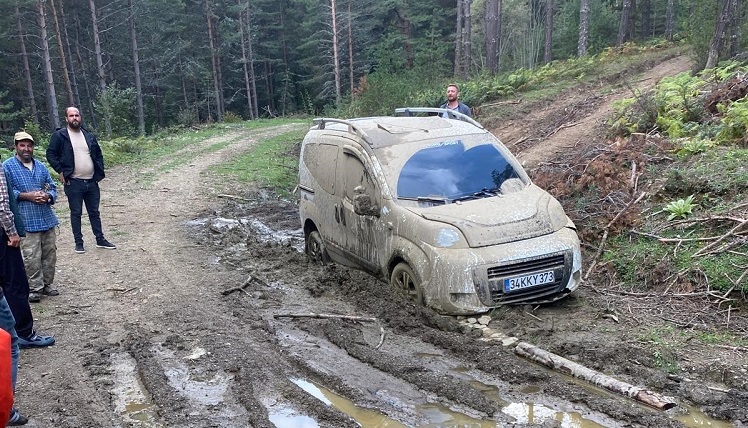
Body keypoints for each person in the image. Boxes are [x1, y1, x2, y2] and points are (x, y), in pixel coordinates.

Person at [46, 107, 116, 254]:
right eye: (71, 116)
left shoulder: (88, 135)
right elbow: (51, 154)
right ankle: (79, 243)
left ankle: (100, 239)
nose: (75, 118)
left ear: (80, 117)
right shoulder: (60, 136)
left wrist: (99, 172)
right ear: (66, 118)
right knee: (76, 212)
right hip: (74, 182)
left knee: (94, 212)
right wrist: (60, 170)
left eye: (77, 115)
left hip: (91, 182)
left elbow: (98, 154)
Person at [4, 132, 60, 303]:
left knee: (50, 254)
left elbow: (53, 186)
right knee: (31, 256)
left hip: (46, 217)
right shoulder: (7, 167)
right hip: (26, 219)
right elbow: (6, 192)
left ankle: (47, 284)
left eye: (29, 145)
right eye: (22, 145)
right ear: (15, 146)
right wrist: (25, 195)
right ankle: (34, 288)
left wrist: (48, 196)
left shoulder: (40, 166)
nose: (26, 149)